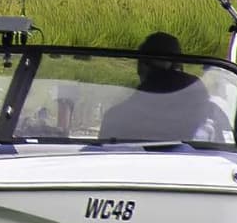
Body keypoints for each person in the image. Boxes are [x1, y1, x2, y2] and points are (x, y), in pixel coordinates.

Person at [97, 31, 226, 144]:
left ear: (142, 66)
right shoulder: (207, 107)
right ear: (179, 64)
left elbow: (103, 153)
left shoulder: (118, 115)